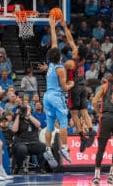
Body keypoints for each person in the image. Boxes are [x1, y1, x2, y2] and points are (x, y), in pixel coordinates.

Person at [42, 16, 75, 168]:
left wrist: (52, 25)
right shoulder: (60, 68)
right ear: (60, 56)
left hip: (47, 96)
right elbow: (63, 88)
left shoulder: (50, 65)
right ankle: (64, 148)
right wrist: (71, 84)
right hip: (56, 96)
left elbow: (54, 41)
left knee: (49, 125)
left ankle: (48, 149)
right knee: (63, 123)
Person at [60, 19, 96, 153]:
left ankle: (82, 136)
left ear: (77, 53)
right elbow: (70, 40)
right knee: (84, 112)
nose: (73, 48)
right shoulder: (82, 58)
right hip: (83, 87)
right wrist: (65, 27)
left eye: (75, 49)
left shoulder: (70, 63)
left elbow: (60, 69)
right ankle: (91, 131)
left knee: (74, 113)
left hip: (74, 88)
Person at [11, 105, 46, 174]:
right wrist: (18, 115)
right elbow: (14, 130)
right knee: (22, 149)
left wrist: (29, 115)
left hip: (33, 142)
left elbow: (38, 125)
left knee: (43, 147)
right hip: (21, 142)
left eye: (27, 109)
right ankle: (20, 168)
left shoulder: (34, 117)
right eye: (24, 109)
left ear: (30, 110)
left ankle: (40, 167)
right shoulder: (18, 118)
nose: (25, 110)